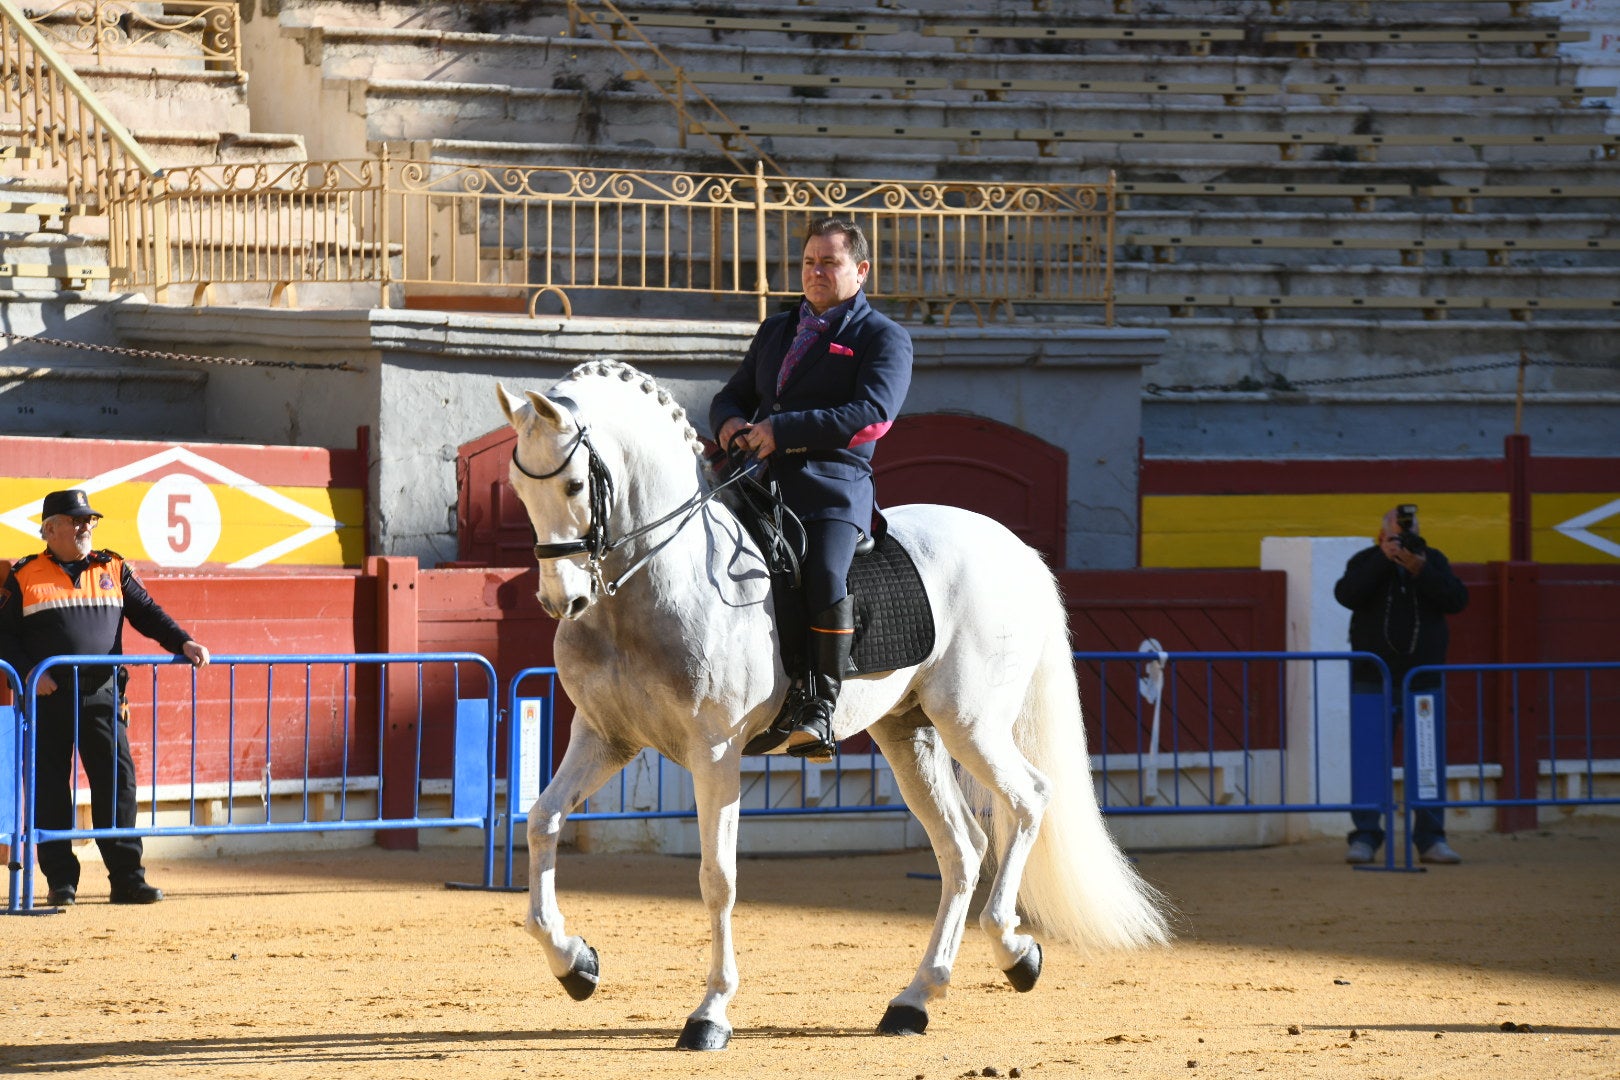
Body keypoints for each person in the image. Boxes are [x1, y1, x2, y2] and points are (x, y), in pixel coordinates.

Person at [710, 218, 913, 762]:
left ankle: (819, 706)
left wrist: (782, 431)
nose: (816, 272)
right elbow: (733, 394)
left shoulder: (883, 337)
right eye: (808, 262)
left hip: (833, 487)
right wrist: (728, 422)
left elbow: (873, 417)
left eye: (830, 263)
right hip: (760, 484)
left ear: (861, 270)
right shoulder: (776, 329)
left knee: (823, 573)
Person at [0, 489, 211, 906]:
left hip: (102, 693)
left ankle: (127, 878)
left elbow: (147, 613)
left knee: (117, 785)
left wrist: (182, 641)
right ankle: (61, 882)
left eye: (89, 520)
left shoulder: (112, 565)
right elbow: (2, 635)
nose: (84, 527)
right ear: (49, 528)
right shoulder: (24, 574)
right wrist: (28, 672)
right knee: (49, 789)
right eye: (75, 520)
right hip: (48, 698)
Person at [1334, 505, 1469, 866]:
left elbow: (1457, 600)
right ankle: (1364, 837)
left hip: (1422, 678)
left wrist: (1421, 569)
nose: (1403, 541)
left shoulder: (1432, 560)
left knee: (1426, 759)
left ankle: (1431, 839)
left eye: (1408, 534)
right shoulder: (1366, 559)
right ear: (1381, 536)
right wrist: (1384, 559)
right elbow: (1347, 595)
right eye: (1395, 535)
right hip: (1372, 677)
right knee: (1368, 759)